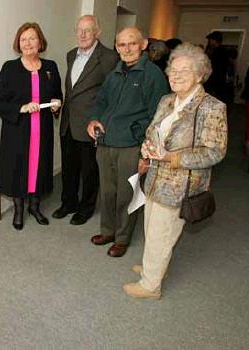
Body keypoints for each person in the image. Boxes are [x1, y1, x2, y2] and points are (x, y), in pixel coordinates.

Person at [123, 43, 228, 299]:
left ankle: (150, 286)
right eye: (173, 70)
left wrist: (172, 157)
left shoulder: (211, 107)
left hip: (181, 184)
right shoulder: (167, 100)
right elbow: (153, 131)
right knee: (153, 229)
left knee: (162, 232)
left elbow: (214, 152)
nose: (176, 75)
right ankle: (155, 266)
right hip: (155, 178)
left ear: (200, 74)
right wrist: (148, 148)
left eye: (185, 71)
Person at [86, 27, 169, 257]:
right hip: (105, 143)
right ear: (116, 47)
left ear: (143, 44)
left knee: (127, 194)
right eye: (121, 44)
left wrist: (145, 153)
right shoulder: (115, 73)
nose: (127, 49)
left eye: (132, 43)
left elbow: (158, 117)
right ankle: (108, 231)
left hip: (132, 146)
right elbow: (101, 101)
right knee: (108, 192)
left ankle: (122, 238)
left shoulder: (152, 75)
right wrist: (93, 119)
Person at [0, 22, 63, 231]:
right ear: (18, 43)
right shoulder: (9, 68)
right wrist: (20, 108)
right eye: (23, 39)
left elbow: (57, 95)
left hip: (43, 130)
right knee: (18, 169)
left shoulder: (51, 67)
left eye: (32, 38)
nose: (28, 43)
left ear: (40, 42)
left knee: (39, 168)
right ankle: (19, 210)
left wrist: (57, 105)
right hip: (18, 131)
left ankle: (35, 207)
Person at [52, 15, 118, 226]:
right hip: (68, 123)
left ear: (97, 32)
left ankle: (86, 207)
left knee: (90, 170)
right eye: (79, 30)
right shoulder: (71, 55)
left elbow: (111, 94)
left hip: (90, 125)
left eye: (88, 30)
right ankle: (68, 203)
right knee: (68, 168)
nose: (83, 34)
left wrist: (102, 121)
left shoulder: (108, 57)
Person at [204, 31, 229, 103]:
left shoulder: (221, 51)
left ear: (215, 40)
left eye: (211, 40)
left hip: (216, 80)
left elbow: (217, 66)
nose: (209, 42)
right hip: (211, 80)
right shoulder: (212, 49)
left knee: (214, 99)